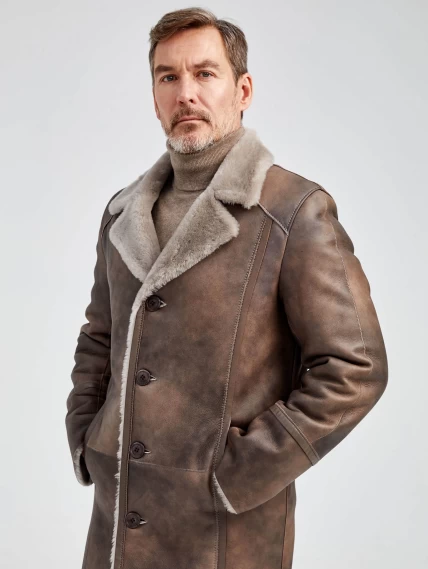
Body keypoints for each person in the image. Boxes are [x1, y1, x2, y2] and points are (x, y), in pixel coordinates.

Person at [65, 7, 388, 569]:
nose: (185, 92)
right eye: (168, 77)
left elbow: (355, 366)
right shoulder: (122, 213)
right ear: (154, 98)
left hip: (224, 537)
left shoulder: (292, 211)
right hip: (115, 526)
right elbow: (100, 337)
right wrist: (87, 435)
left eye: (204, 73)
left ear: (242, 90)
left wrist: (243, 471)